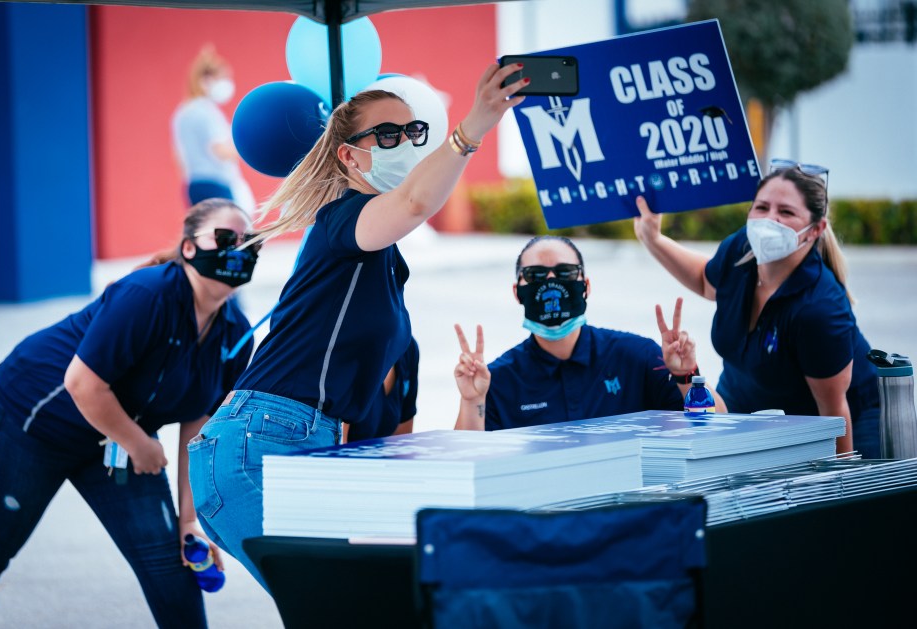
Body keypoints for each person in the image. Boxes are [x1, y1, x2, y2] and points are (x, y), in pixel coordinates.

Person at [186, 62, 529, 588]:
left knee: (352, 602)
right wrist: (473, 127)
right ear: (349, 155)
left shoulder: (387, 260)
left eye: (415, 132)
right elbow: (415, 202)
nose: (406, 144)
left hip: (312, 446)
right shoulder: (344, 219)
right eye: (387, 134)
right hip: (259, 444)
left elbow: (394, 442)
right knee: (327, 602)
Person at [0, 199, 260, 629]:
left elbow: (198, 424)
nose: (237, 250)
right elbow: (83, 384)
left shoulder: (235, 332)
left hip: (114, 439)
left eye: (249, 242)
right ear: (189, 247)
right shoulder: (147, 294)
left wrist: (189, 519)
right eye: (225, 238)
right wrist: (139, 444)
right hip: (31, 423)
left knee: (169, 563)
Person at [633, 159, 881, 457]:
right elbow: (706, 281)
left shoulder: (819, 308)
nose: (769, 220)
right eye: (762, 207)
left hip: (848, 420)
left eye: (786, 212)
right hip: (754, 400)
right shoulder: (743, 249)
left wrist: (841, 478)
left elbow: (834, 413)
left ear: (816, 229)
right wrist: (653, 239)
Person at [453, 235, 722, 431]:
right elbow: (466, 461)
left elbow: (717, 425)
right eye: (535, 276)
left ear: (586, 286)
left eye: (565, 273)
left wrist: (687, 375)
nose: (551, 283)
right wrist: (472, 400)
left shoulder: (638, 357)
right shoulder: (498, 379)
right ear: (517, 292)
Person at [172, 44, 256, 212]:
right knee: (226, 227)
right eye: (222, 78)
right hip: (216, 184)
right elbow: (220, 151)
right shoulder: (206, 112)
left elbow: (178, 155)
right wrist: (248, 148)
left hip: (193, 184)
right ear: (206, 80)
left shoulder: (182, 112)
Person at [343, 336, 420, 443]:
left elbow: (402, 446)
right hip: (340, 451)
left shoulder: (408, 347)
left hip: (382, 453)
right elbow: (338, 448)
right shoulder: (348, 351)